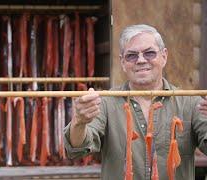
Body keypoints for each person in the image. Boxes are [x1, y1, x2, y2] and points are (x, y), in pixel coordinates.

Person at [64, 24, 207, 180]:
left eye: (150, 53)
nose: (140, 60)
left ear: (164, 56)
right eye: (131, 55)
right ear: (123, 62)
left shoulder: (191, 102)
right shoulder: (106, 102)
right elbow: (77, 149)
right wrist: (79, 121)